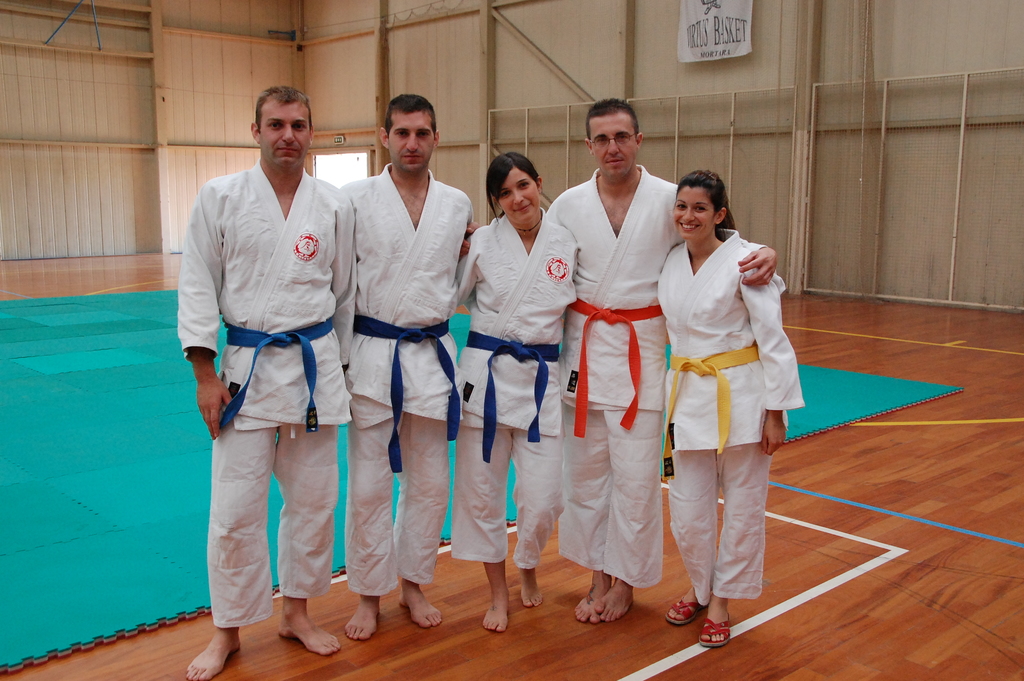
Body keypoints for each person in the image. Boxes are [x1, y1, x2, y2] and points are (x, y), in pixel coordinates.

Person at [547, 98, 778, 625]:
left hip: (643, 359)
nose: (612, 147)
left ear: (639, 140)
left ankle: (626, 581)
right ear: (589, 145)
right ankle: (597, 576)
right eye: (602, 138)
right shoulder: (568, 205)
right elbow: (543, 262)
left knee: (635, 482)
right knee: (584, 478)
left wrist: (766, 252)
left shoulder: (668, 200)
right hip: (583, 355)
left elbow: (718, 243)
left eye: (621, 136)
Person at [177, 85, 356, 681]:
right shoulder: (220, 197)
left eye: (298, 125)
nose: (288, 135)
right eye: (276, 124)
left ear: (311, 132)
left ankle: (296, 614)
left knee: (314, 502)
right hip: (243, 374)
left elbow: (345, 295)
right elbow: (197, 283)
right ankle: (226, 630)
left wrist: (341, 369)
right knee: (234, 509)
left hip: (313, 371)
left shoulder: (333, 205)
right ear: (255, 131)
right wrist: (204, 373)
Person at [340, 94, 475, 641]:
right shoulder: (353, 199)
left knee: (430, 483)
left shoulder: (457, 203)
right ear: (384, 137)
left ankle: (413, 583)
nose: (412, 143)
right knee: (369, 486)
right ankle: (368, 594)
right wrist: (338, 360)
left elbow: (460, 275)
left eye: (422, 133)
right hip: (373, 358)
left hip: (432, 358)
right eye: (402, 133)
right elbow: (339, 284)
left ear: (436, 137)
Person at [659, 170, 803, 647]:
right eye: (682, 206)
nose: (688, 216)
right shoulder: (671, 260)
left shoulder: (746, 262)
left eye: (700, 208)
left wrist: (776, 412)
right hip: (685, 397)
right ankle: (701, 586)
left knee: (743, 507)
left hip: (741, 397)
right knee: (686, 509)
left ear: (719, 214)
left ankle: (722, 600)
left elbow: (773, 339)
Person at [450, 152, 576, 632]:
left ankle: (528, 561)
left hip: (540, 381)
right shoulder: (483, 241)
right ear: (495, 201)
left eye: (523, 185)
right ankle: (497, 592)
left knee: (545, 498)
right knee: (482, 492)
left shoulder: (567, 241)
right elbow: (450, 294)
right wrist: (454, 249)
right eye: (505, 193)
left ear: (539, 183)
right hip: (484, 379)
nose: (517, 198)